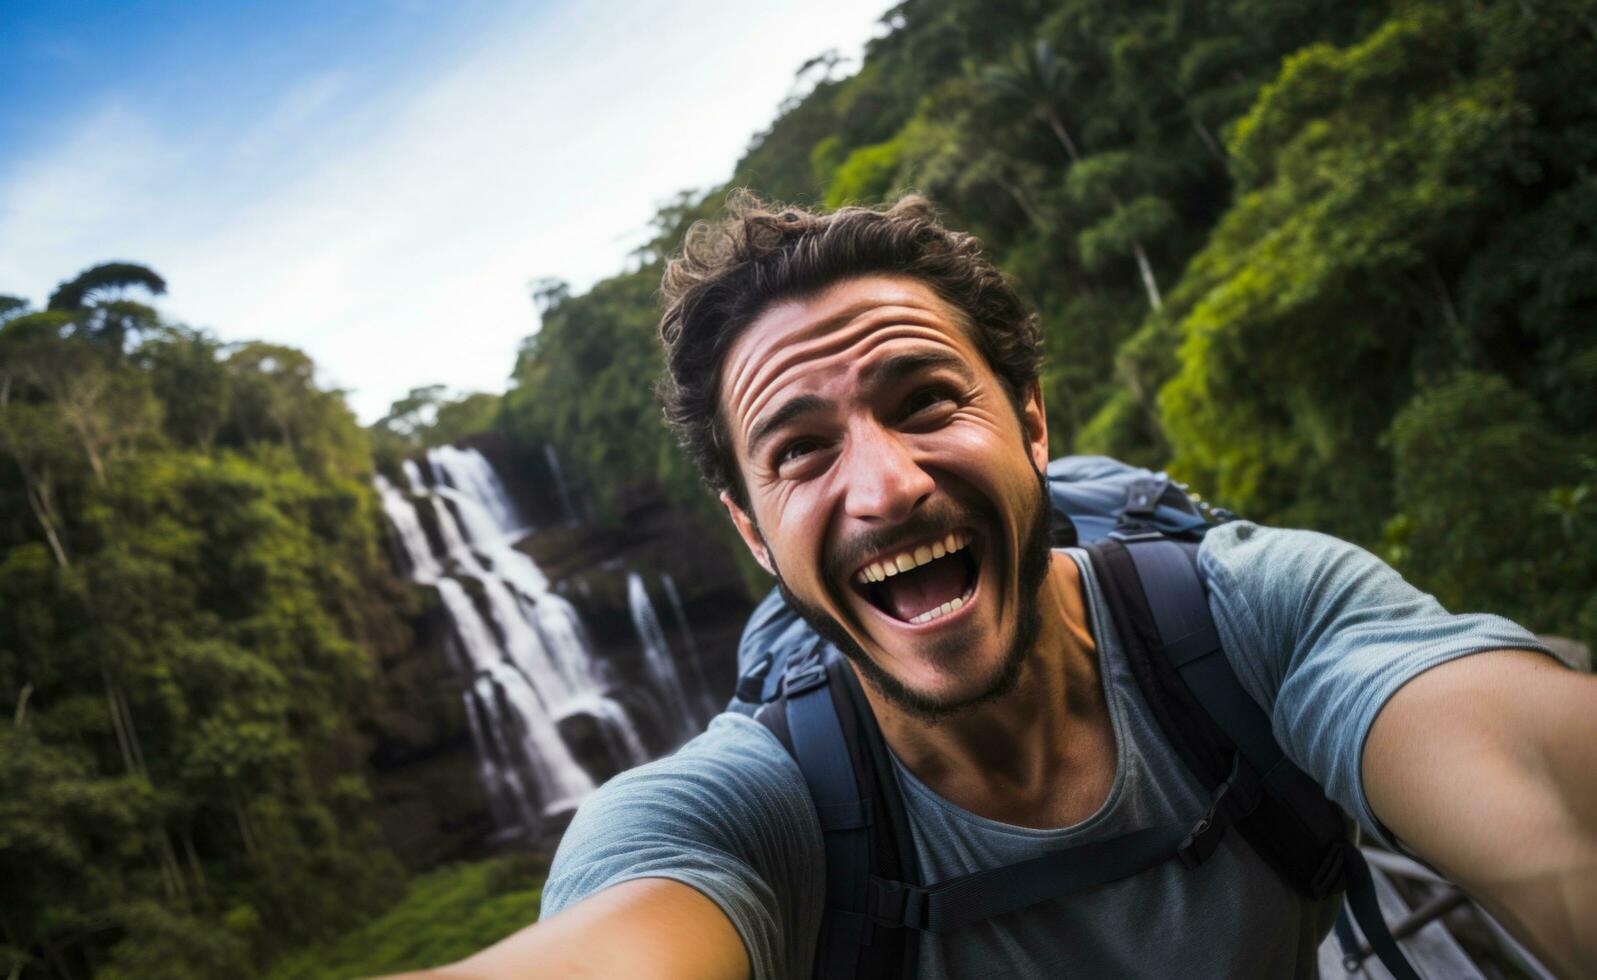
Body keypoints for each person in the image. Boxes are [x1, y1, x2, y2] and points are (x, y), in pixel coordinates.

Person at [399, 195, 1597, 979]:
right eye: (800, 449)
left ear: (1031, 425)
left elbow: (1547, 795)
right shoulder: (736, 818)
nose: (882, 486)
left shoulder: (1258, 617)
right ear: (752, 535)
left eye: (924, 399)